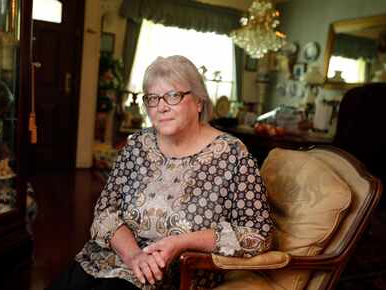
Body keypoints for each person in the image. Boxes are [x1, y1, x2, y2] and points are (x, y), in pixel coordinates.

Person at [46, 55, 274, 290]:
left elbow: (258, 235)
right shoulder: (138, 144)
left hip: (174, 276)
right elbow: (105, 213)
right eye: (153, 99)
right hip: (110, 262)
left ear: (199, 102)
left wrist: (181, 242)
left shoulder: (232, 154)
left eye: (173, 96)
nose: (162, 107)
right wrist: (134, 255)